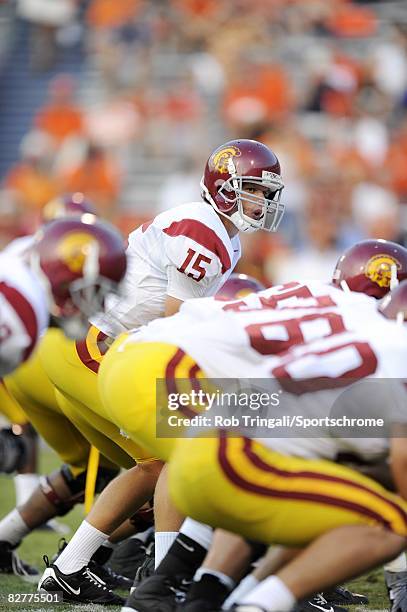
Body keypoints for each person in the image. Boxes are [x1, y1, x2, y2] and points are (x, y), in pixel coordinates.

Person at [91, 238, 407, 612]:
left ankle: (194, 587)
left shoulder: (319, 299)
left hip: (142, 358)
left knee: (281, 476)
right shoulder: (378, 337)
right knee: (339, 496)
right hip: (174, 371)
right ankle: (205, 586)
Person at [35, 139, 284, 605]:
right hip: (94, 347)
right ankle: (167, 577)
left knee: (152, 467)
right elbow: (176, 325)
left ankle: (70, 569)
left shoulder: (220, 232)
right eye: (255, 189)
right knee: (182, 457)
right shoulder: (205, 230)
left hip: (94, 347)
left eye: (267, 192)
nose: (264, 201)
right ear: (226, 189)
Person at [0, 216, 127, 585]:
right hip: (55, 356)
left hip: (42, 355)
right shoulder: (19, 304)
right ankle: (85, 559)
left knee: (91, 470)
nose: (93, 301)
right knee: (157, 462)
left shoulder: (24, 284)